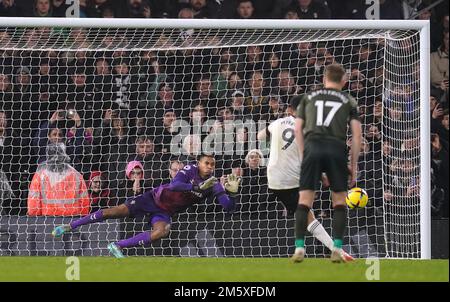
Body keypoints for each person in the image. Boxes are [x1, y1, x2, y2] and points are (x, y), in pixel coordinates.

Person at [52, 154, 241, 258]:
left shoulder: (214, 184)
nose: (210, 166)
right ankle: (70, 226)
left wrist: (231, 193)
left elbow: (228, 208)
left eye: (212, 164)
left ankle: (117, 246)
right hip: (152, 198)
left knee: (162, 231)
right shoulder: (190, 170)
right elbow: (175, 185)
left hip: (165, 211)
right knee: (114, 211)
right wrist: (195, 186)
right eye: (206, 163)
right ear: (198, 163)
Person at [257, 98, 353, 261]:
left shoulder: (278, 122)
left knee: (305, 212)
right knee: (309, 216)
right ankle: (335, 250)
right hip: (291, 179)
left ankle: (308, 247)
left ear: (290, 110)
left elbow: (260, 137)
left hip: (273, 179)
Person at [292, 63, 362, 263]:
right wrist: (354, 165)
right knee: (339, 203)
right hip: (336, 149)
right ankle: (337, 248)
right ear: (344, 81)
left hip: (312, 148)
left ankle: (299, 248)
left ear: (324, 79)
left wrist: (304, 154)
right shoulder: (349, 100)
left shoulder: (308, 98)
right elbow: (357, 135)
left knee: (304, 201)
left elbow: (298, 129)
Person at [27, 143, 90, 216]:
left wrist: (35, 216)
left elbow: (34, 199)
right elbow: (84, 200)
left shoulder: (40, 175)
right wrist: (81, 218)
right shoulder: (76, 175)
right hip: (71, 218)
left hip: (47, 218)